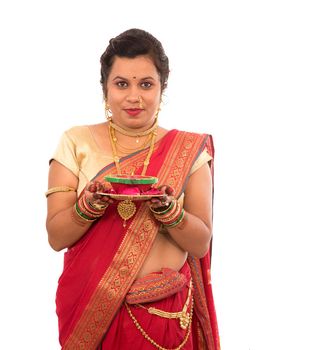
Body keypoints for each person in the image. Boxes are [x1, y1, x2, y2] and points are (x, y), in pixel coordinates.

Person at [46, 28, 220, 350]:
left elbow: (199, 243)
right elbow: (56, 237)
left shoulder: (188, 152)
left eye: (146, 84)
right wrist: (88, 207)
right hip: (93, 311)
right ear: (105, 88)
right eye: (122, 84)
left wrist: (170, 212)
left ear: (162, 88)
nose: (134, 97)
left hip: (165, 318)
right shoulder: (76, 142)